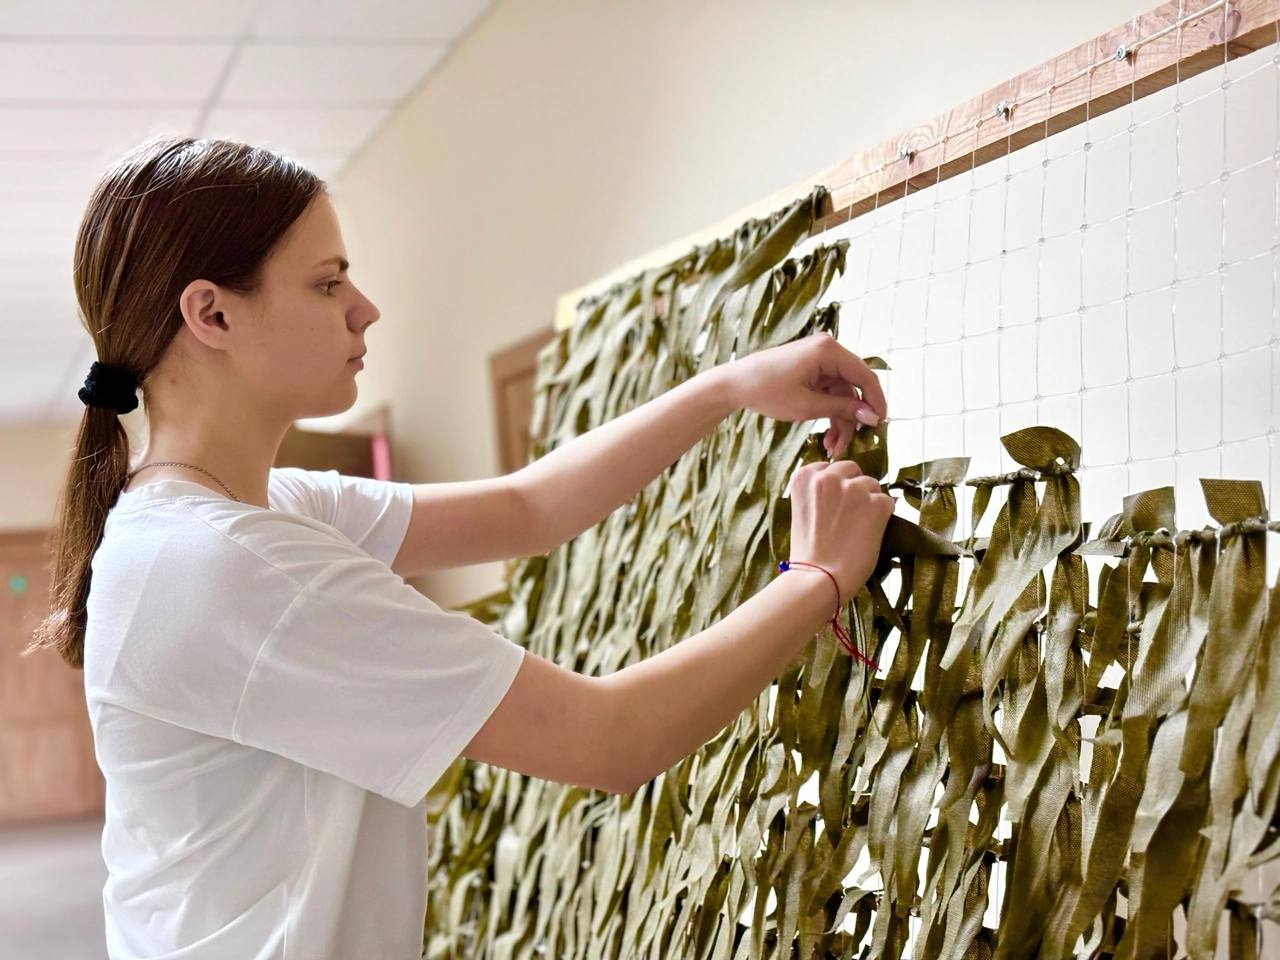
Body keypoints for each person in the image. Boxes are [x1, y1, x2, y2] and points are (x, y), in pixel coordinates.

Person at [28, 134, 893, 959]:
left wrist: (730, 386)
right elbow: (610, 738)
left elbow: (529, 509)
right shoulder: (229, 568)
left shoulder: (242, 514)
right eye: (328, 285)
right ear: (210, 313)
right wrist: (816, 577)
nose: (365, 309)